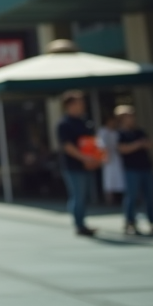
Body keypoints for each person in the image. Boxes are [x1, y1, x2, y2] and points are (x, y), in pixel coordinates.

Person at [57, 92, 103, 237]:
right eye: (79, 102)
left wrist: (97, 158)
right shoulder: (64, 124)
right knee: (78, 195)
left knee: (84, 195)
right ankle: (79, 225)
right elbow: (67, 146)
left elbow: (92, 142)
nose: (82, 105)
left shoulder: (84, 121)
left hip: (87, 164)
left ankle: (82, 222)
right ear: (70, 105)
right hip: (73, 166)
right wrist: (84, 158)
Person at [115, 105, 153, 236]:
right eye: (128, 116)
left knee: (150, 196)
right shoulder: (120, 134)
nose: (131, 119)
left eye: (132, 116)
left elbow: (150, 144)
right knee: (132, 196)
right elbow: (122, 149)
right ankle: (130, 222)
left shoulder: (140, 131)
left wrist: (140, 144)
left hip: (146, 167)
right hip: (131, 169)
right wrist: (138, 145)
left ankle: (152, 223)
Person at [97, 115, 125, 205]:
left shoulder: (116, 132)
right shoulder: (102, 131)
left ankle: (119, 198)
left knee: (120, 178)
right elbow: (100, 145)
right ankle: (109, 199)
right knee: (108, 179)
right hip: (107, 158)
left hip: (116, 157)